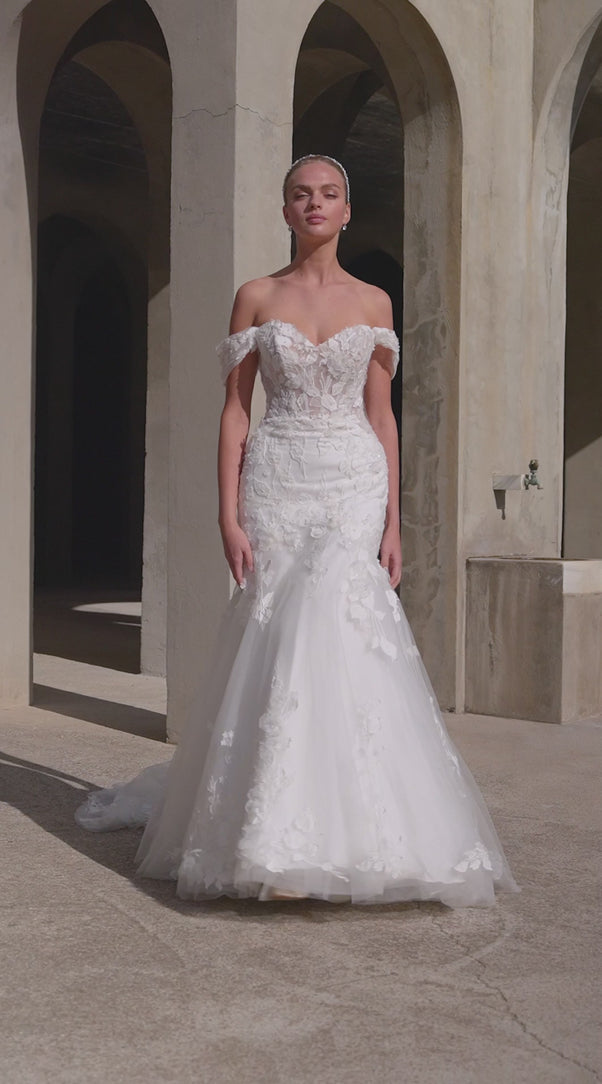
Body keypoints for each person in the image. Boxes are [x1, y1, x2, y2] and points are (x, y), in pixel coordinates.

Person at [75, 154, 519, 907]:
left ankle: (361, 837)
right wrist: (226, 512)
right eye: (300, 194)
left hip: (351, 481)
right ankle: (271, 838)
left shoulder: (375, 301)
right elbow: (236, 411)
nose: (314, 204)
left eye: (328, 194)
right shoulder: (256, 295)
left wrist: (395, 521)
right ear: (285, 210)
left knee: (345, 631)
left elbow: (381, 416)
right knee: (280, 634)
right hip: (277, 477)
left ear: (346, 210)